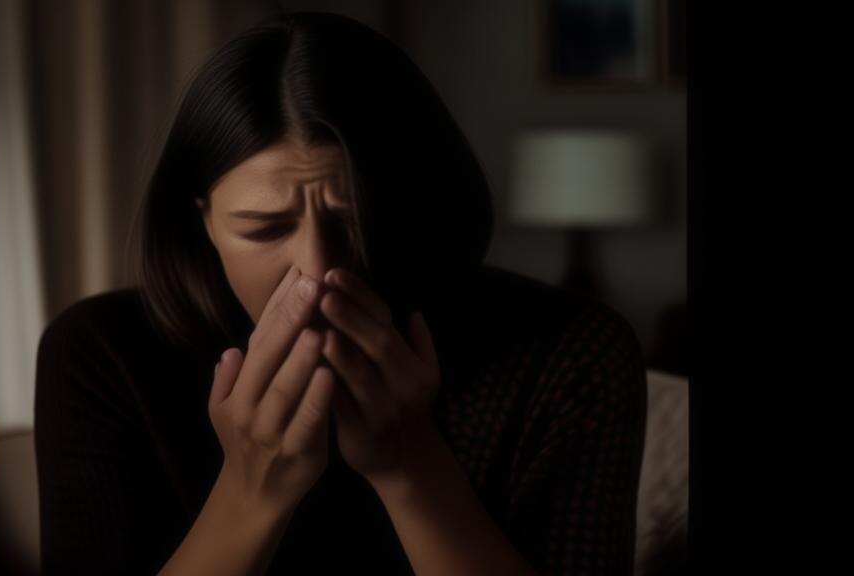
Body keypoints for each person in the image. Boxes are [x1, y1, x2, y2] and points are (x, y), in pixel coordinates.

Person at [34, 11, 648, 576]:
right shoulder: (100, 356)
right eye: (265, 229)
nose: (319, 271)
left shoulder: (571, 354)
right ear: (204, 224)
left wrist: (412, 469)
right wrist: (251, 493)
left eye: (355, 221)